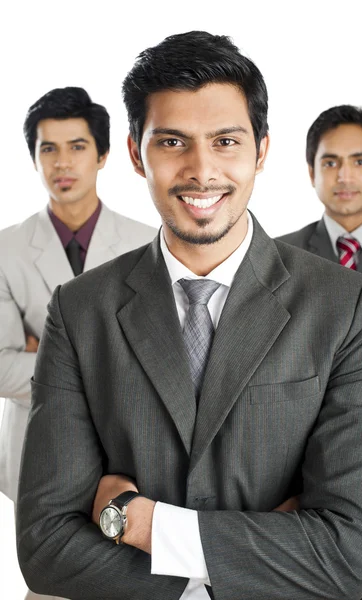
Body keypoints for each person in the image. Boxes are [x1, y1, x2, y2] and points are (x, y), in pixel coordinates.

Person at [16, 33, 362, 600]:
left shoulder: (347, 308)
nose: (201, 170)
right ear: (135, 154)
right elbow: (46, 548)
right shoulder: (80, 310)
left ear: (261, 151)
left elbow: (345, 557)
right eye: (172, 141)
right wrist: (248, 559)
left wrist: (138, 523)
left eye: (225, 141)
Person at [0, 86, 156, 600]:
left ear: (104, 154)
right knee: (49, 583)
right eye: (49, 148)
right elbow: (0, 367)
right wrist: (106, 363)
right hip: (38, 455)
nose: (61, 163)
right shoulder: (6, 249)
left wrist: (41, 352)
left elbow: (162, 362)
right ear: (34, 157)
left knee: (134, 579)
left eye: (77, 146)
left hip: (134, 454)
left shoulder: (145, 242)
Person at [277, 105, 362, 600]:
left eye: (359, 161)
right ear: (310, 172)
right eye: (330, 162)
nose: (344, 175)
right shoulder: (277, 259)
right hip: (291, 463)